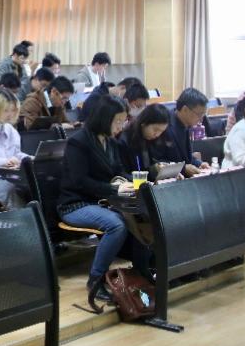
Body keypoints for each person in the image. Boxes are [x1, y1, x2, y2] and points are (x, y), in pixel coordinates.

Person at [57, 94, 151, 301]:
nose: (121, 126)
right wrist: (114, 189)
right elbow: (80, 182)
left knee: (142, 213)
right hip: (76, 204)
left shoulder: (110, 142)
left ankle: (142, 270)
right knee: (116, 224)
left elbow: (118, 171)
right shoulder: (78, 142)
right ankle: (96, 280)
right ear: (104, 118)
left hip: (103, 201)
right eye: (117, 121)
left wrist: (138, 184)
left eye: (123, 121)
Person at [157, 87, 209, 177]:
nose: (201, 119)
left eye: (203, 115)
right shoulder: (164, 126)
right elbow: (157, 161)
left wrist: (199, 164)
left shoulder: (186, 124)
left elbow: (186, 158)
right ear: (185, 109)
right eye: (199, 114)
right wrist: (183, 169)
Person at [117, 104, 172, 179]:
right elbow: (123, 174)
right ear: (144, 123)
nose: (157, 134)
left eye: (161, 131)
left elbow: (159, 160)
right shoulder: (125, 142)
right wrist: (153, 170)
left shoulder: (154, 139)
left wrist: (168, 171)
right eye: (155, 130)